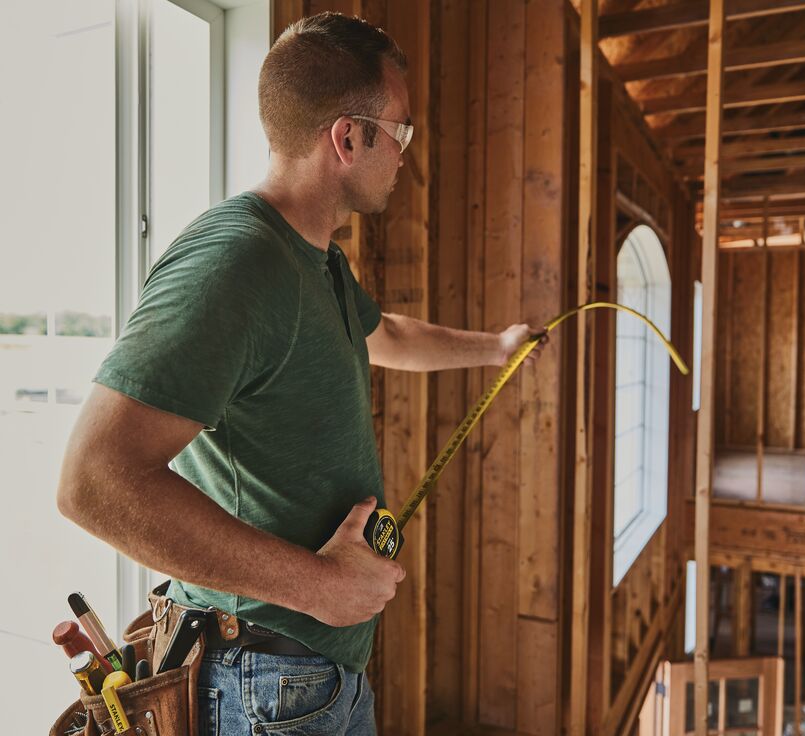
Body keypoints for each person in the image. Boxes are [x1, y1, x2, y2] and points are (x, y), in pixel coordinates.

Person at [57, 12, 546, 735]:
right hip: (260, 681)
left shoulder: (317, 262)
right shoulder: (238, 263)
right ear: (349, 138)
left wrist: (496, 348)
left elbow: (388, 336)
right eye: (400, 131)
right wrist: (318, 586)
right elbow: (93, 482)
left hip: (312, 675)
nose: (406, 153)